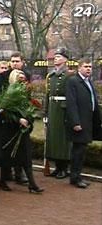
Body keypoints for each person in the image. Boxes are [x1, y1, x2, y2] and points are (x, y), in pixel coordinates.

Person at [0, 69, 44, 193]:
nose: (22, 78)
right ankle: (2, 180)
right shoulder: (9, 92)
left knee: (26, 156)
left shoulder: (25, 92)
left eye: (23, 76)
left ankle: (32, 184)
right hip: (10, 130)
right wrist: (19, 119)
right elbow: (4, 111)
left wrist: (28, 119)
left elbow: (28, 108)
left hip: (22, 131)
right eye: (19, 76)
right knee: (7, 157)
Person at [66, 57, 102, 188]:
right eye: (86, 66)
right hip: (79, 122)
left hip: (89, 121)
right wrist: (75, 122)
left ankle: (77, 176)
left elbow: (93, 102)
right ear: (79, 67)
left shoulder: (89, 82)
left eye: (90, 67)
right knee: (78, 151)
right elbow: (71, 103)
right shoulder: (73, 81)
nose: (88, 69)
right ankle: (75, 178)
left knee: (82, 150)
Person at [0, 52, 29, 184]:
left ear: (23, 62)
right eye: (12, 61)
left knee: (20, 145)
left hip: (22, 115)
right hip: (7, 117)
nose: (14, 64)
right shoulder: (3, 76)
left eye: (17, 61)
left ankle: (19, 173)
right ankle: (6, 173)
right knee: (7, 146)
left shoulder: (27, 76)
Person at [44, 48, 72, 179]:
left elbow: (72, 96)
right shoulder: (50, 76)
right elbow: (47, 95)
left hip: (63, 110)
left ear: (65, 59)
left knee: (62, 139)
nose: (56, 59)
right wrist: (45, 113)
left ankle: (64, 168)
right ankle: (57, 167)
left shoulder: (69, 75)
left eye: (59, 57)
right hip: (52, 109)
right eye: (55, 57)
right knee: (53, 139)